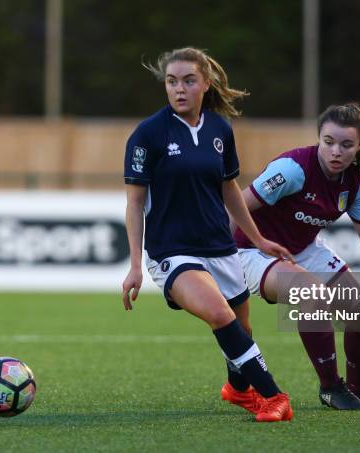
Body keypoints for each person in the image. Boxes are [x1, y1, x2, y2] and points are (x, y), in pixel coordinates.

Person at [121, 47, 294, 422]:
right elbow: (134, 204)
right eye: (171, 82)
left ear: (206, 83)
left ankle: (238, 389)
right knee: (219, 314)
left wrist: (258, 239)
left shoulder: (220, 130)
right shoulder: (147, 134)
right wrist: (135, 265)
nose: (179, 89)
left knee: (241, 329)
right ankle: (275, 397)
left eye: (188, 81)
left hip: (220, 246)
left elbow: (229, 189)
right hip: (172, 252)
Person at [231, 103, 360, 410]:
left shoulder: (353, 183)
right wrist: (218, 255)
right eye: (328, 142)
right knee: (313, 294)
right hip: (251, 250)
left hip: (302, 250)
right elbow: (236, 207)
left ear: (359, 147)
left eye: (346, 145)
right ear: (319, 138)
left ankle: (359, 388)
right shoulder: (293, 169)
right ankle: (331, 388)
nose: (335, 152)